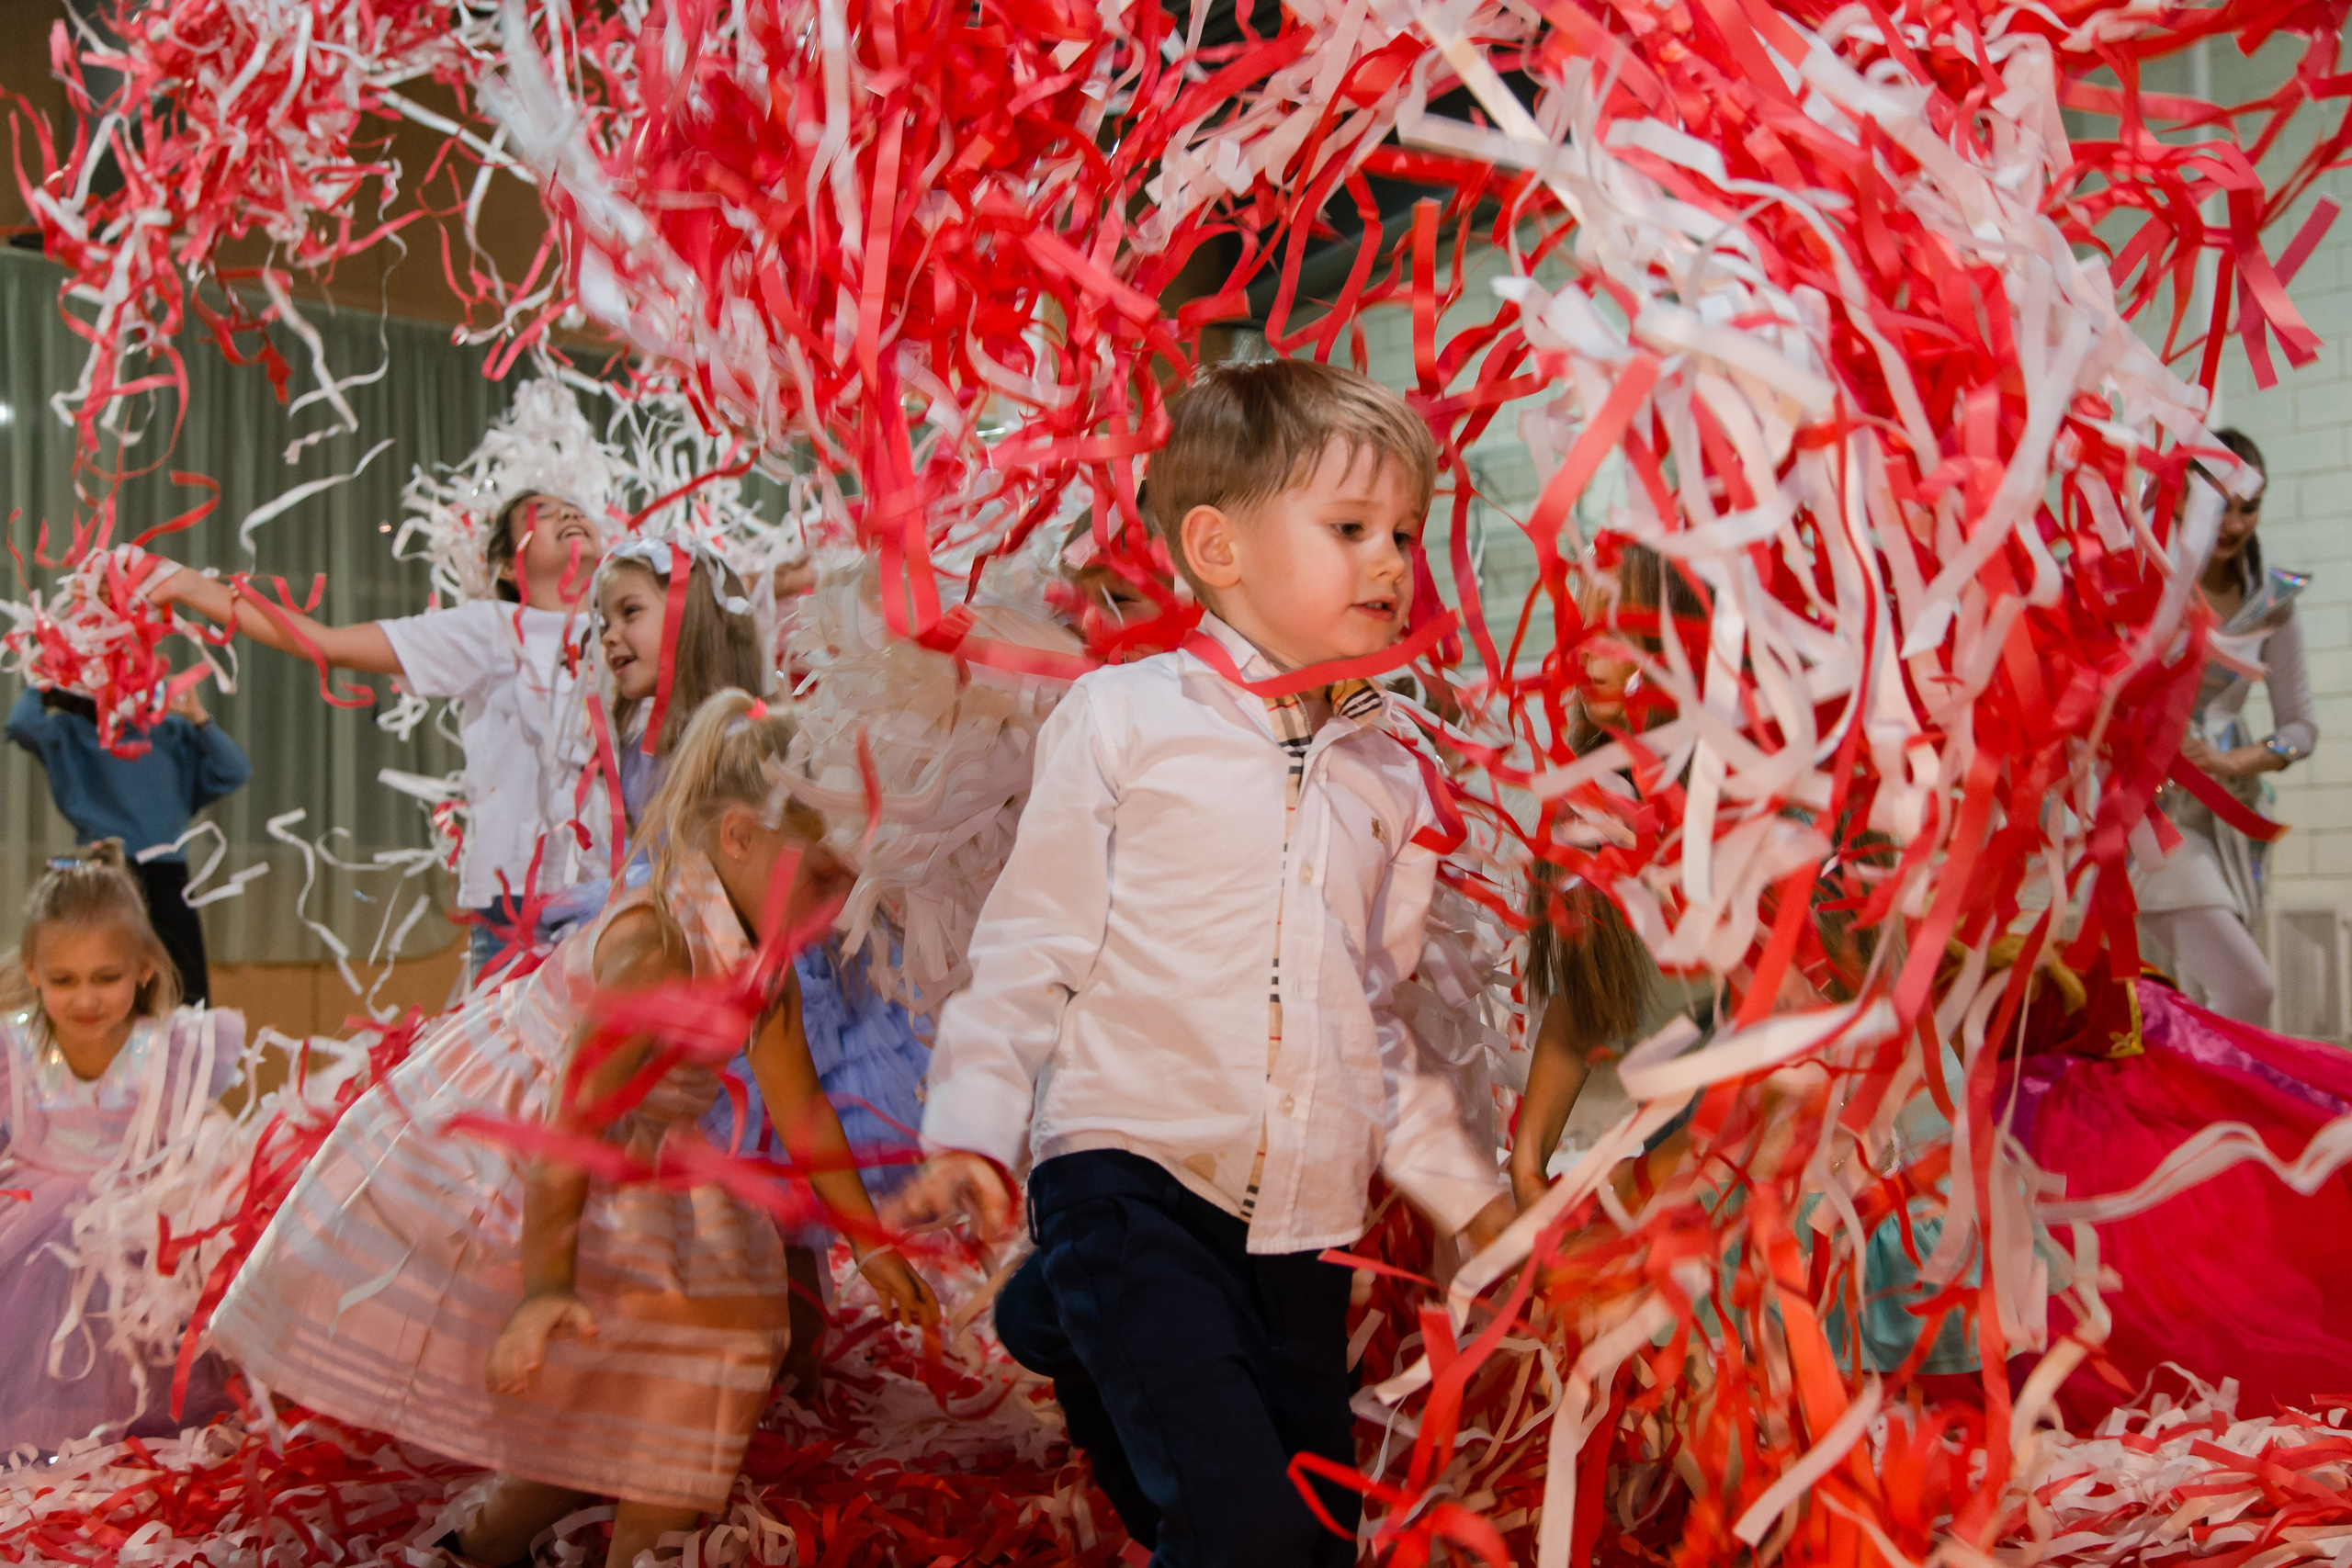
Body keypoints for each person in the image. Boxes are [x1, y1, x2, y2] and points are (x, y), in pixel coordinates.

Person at [890, 359, 1515, 1568]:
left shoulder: (1392, 777)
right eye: (1350, 529)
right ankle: (1080, 1283)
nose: (1392, 560)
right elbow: (1032, 941)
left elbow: (1374, 1022)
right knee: (1247, 1534)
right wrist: (970, 1124)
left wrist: (1476, 1202)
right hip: (1136, 1171)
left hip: (1303, 1224)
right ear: (1217, 548)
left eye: (1404, 532)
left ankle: (1060, 1310)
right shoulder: (1125, 717)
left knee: (1313, 1539)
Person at [209, 691, 938, 1568]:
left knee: (712, 1346)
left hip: (645, 1159)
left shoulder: (764, 960)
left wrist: (868, 1241)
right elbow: (568, 1136)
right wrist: (546, 1286)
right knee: (639, 1369)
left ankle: (624, 1541)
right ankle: (487, 1546)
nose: (838, 900)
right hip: (534, 1163)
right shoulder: (659, 952)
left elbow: (804, 1108)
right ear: (740, 838)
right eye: (823, 875)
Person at [146, 491, 611, 981]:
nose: (568, 513)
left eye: (575, 508)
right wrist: (193, 588)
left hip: (616, 890)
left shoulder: (633, 629)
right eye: (540, 513)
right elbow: (328, 643)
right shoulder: (496, 630)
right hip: (520, 905)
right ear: (507, 567)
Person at [0, 843, 243, 1451]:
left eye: (106, 976)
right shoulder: (15, 1054)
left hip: (135, 1224)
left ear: (143, 969)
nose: (86, 998)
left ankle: (128, 1434)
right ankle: (40, 1435)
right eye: (63, 979)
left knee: (123, 1314)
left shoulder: (167, 1048)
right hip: (34, 1230)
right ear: (32, 971)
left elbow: (209, 1131)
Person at [2134, 430, 2315, 1025]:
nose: (2234, 522)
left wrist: (2235, 762)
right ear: (2182, 499)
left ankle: (2209, 1117)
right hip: (2153, 815)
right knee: (2245, 991)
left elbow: (2300, 729)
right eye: (2219, 501)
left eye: (2248, 506)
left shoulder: (2273, 602)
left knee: (2205, 1009)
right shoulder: (2148, 581)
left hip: (2235, 824)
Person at [6, 678, 250, 1005]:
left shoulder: (173, 732)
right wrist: (45, 686)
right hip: (103, 867)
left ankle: (182, 1051)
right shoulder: (73, 731)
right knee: (98, 964)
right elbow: (21, 724)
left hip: (167, 869)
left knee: (185, 984)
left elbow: (234, 770)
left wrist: (199, 717)